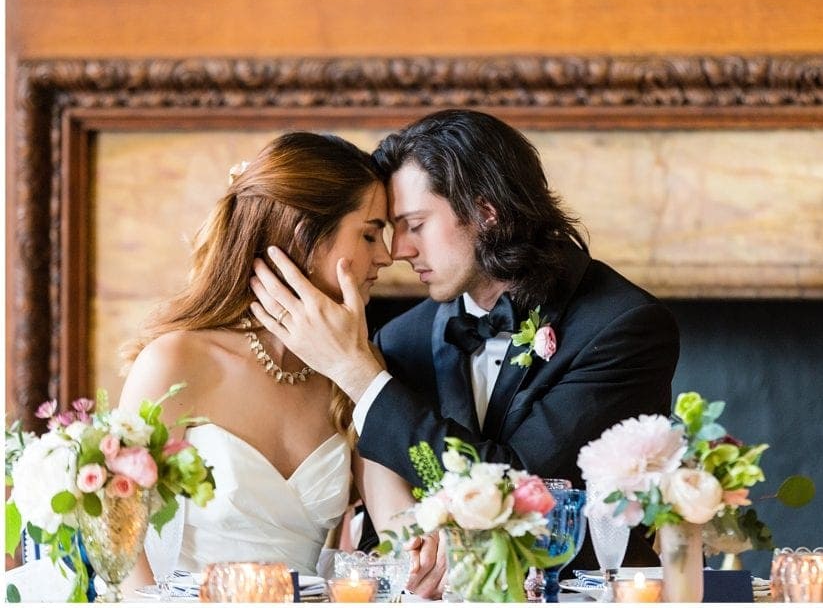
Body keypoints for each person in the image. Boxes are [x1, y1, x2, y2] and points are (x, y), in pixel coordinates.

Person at [251, 110, 680, 573]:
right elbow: (389, 529)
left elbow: (523, 489)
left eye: (415, 224)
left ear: (486, 212)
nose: (398, 251)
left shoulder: (622, 326)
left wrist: (361, 377)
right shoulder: (400, 339)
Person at [118, 132, 415, 593]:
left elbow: (401, 529)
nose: (387, 255)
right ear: (305, 234)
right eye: (370, 234)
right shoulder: (177, 361)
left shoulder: (354, 369)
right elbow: (120, 541)